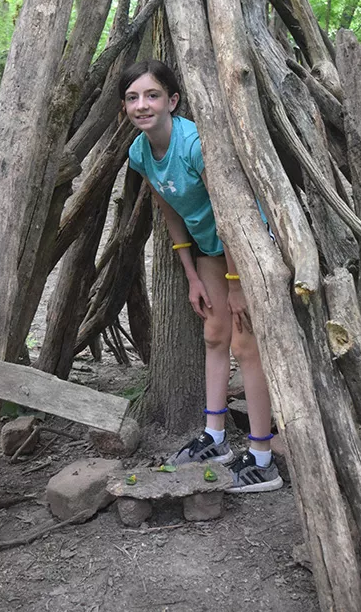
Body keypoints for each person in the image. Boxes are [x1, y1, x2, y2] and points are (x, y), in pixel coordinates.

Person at [119, 59, 282, 493]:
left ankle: (264, 458)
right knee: (214, 334)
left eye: (152, 95)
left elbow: (230, 212)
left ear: (172, 101)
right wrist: (191, 274)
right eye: (133, 98)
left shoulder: (193, 144)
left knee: (246, 344)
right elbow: (170, 211)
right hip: (210, 249)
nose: (142, 104)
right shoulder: (140, 152)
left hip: (246, 242)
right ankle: (215, 439)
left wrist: (236, 284)